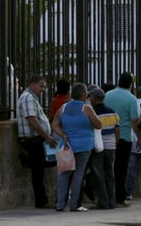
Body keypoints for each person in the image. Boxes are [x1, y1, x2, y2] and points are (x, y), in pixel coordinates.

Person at [52, 83, 102, 212]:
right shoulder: (86, 108)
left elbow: (55, 124)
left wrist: (63, 135)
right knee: (79, 174)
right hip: (84, 146)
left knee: (64, 174)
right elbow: (98, 124)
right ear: (84, 95)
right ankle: (74, 204)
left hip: (67, 146)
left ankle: (60, 204)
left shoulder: (63, 108)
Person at [17, 75, 58, 209]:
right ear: (32, 84)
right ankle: (41, 201)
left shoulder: (32, 98)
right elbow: (32, 119)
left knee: (40, 167)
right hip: (33, 139)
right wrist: (46, 136)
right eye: (41, 86)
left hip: (36, 139)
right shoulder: (28, 98)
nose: (43, 89)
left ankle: (28, 161)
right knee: (40, 169)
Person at [104, 72, 140, 205]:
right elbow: (134, 121)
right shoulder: (131, 98)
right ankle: (120, 196)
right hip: (125, 137)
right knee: (121, 168)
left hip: (108, 136)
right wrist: (139, 139)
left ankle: (106, 194)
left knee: (108, 167)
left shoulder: (108, 95)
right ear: (131, 84)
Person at [88, 87, 120, 209]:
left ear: (95, 99)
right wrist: (115, 142)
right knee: (110, 174)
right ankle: (112, 201)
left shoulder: (92, 112)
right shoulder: (112, 112)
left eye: (90, 97)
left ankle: (102, 202)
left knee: (98, 175)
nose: (89, 99)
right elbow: (117, 130)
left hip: (97, 147)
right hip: (111, 146)